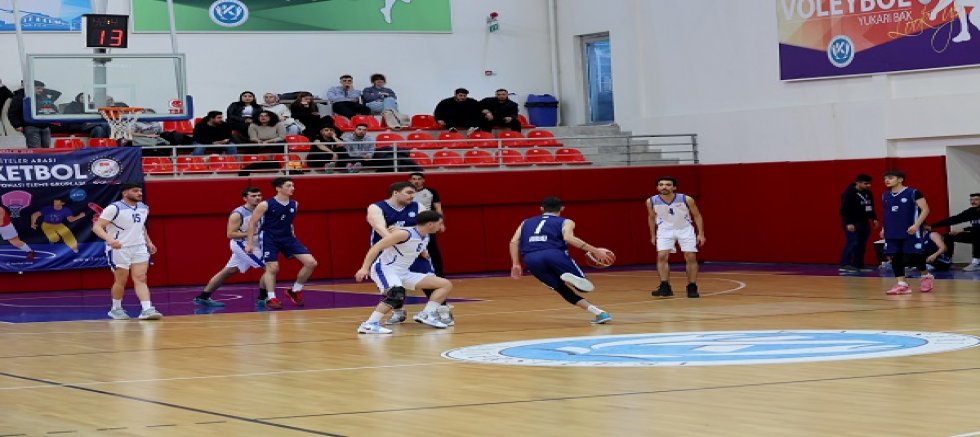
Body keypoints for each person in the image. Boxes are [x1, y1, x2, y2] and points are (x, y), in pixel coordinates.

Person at [509, 196, 614, 324]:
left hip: (531, 258)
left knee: (561, 289)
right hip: (554, 254)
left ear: (541, 209)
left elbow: (514, 242)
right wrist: (596, 251)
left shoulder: (525, 222)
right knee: (584, 288)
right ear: (562, 208)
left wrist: (516, 263)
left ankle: (599, 313)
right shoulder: (566, 221)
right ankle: (571, 277)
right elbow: (569, 238)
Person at [366, 181, 453, 326]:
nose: (413, 196)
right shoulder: (376, 207)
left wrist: (406, 234)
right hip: (388, 250)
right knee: (391, 286)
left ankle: (438, 310)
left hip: (415, 250)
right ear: (396, 193)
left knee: (432, 279)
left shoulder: (417, 206)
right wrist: (397, 239)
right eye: (409, 193)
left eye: (414, 193)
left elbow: (426, 224)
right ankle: (397, 312)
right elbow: (379, 227)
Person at [355, 210, 451, 334]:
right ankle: (369, 324)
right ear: (430, 224)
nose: (440, 226)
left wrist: (423, 252)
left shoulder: (425, 235)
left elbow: (412, 246)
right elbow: (376, 247)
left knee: (444, 284)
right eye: (439, 223)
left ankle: (427, 314)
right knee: (396, 294)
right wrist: (364, 268)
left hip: (403, 272)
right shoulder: (404, 234)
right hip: (385, 269)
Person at [244, 177, 318, 309]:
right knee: (273, 268)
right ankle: (271, 298)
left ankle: (295, 290)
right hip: (269, 238)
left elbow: (288, 221)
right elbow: (252, 223)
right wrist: (249, 243)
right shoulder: (265, 204)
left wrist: (292, 232)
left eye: (293, 185)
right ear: (278, 188)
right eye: (289, 186)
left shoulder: (294, 204)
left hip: (288, 238)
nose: (292, 188)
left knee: (311, 263)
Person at [92, 183, 163, 320]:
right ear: (125, 193)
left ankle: (147, 309)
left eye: (140, 191)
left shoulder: (143, 207)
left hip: (139, 246)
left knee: (141, 278)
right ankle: (116, 308)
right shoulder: (114, 208)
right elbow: (97, 227)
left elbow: (140, 226)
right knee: (121, 280)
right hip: (119, 247)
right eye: (135, 191)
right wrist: (110, 240)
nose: (139, 193)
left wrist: (149, 241)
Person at [194, 187, 268, 308]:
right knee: (270, 267)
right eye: (253, 196)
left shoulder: (263, 209)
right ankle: (262, 298)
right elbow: (230, 234)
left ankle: (203, 297)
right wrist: (251, 233)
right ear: (245, 198)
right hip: (241, 244)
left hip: (255, 244)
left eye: (259, 195)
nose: (257, 198)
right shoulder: (238, 213)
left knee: (228, 271)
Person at [647, 177, 705, 298]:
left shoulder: (686, 199)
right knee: (662, 256)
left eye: (668, 185)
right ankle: (665, 286)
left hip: (685, 228)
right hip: (664, 230)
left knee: (690, 256)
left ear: (674, 187)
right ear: (657, 187)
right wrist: (652, 235)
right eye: (661, 185)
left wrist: (701, 234)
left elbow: (697, 215)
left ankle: (692, 286)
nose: (664, 187)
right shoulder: (651, 201)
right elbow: (651, 217)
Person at [880, 170, 932, 294]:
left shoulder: (913, 193)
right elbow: (887, 213)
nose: (886, 180)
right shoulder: (885, 195)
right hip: (892, 232)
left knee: (914, 256)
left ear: (900, 179)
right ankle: (902, 284)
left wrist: (917, 225)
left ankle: (926, 276)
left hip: (910, 231)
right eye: (885, 178)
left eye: (890, 178)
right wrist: (883, 228)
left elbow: (925, 209)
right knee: (895, 257)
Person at [928, 192, 980, 271]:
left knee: (977, 235)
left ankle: (977, 262)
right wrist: (932, 226)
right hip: (975, 234)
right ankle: (947, 260)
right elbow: (954, 219)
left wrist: (963, 230)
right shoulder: (971, 211)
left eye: (976, 200)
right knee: (949, 236)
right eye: (971, 200)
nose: (973, 202)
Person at [839, 174, 878, 272]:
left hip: (864, 222)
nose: (868, 185)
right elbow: (844, 210)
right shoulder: (848, 193)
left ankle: (858, 264)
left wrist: (874, 218)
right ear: (858, 183)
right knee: (853, 242)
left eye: (869, 184)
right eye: (866, 183)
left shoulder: (868, 193)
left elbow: (870, 206)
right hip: (852, 223)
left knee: (862, 244)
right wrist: (848, 223)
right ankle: (845, 264)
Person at [409, 172, 444, 276]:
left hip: (428, 223)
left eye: (419, 179)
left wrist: (440, 223)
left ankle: (438, 272)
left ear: (423, 180)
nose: (416, 181)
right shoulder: (407, 192)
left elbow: (438, 208)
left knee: (431, 247)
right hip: (412, 224)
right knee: (412, 246)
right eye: (414, 179)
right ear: (410, 180)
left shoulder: (431, 192)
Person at [8, 80, 58, 148]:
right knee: (36, 150)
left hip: (45, 126)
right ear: (30, 88)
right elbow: (12, 112)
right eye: (38, 88)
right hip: (30, 126)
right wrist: (17, 125)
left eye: (42, 89)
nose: (41, 90)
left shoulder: (43, 97)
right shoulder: (20, 96)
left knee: (46, 149)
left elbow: (56, 97)